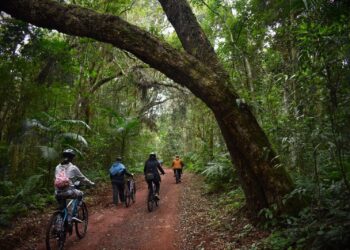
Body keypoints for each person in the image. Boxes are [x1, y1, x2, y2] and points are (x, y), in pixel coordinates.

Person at [54, 149, 94, 219]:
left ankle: (60, 221)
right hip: (69, 192)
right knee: (80, 194)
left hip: (57, 193)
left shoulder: (57, 167)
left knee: (62, 207)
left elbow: (56, 179)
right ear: (72, 158)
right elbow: (83, 178)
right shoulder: (73, 168)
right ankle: (74, 213)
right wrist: (91, 183)